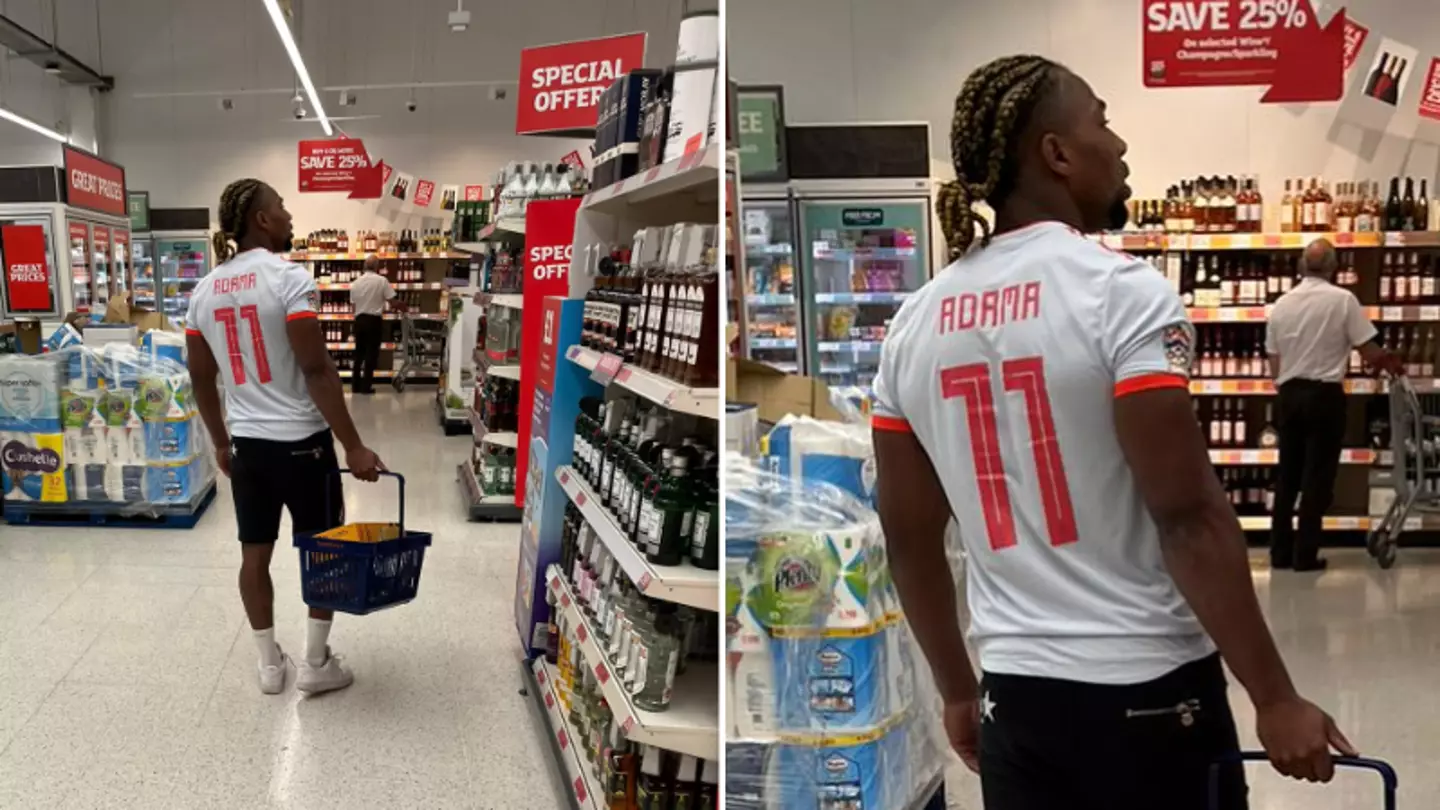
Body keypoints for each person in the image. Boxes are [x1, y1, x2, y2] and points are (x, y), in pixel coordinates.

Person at [870, 55, 1355, 810]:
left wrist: (958, 690)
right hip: (1150, 696)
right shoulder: (1121, 295)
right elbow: (1188, 517)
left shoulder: (913, 325)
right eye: (1102, 119)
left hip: (1017, 704)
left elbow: (907, 538)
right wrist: (1276, 694)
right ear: (1056, 154)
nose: (1120, 143)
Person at [187, 178, 386, 696]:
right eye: (281, 207)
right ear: (261, 220)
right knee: (323, 549)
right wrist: (354, 445)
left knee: (254, 554)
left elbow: (200, 378)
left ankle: (269, 666)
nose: (289, 215)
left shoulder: (203, 291)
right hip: (305, 445)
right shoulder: (289, 279)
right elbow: (317, 368)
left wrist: (221, 441)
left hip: (250, 448)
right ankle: (316, 663)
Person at [1266, 239, 1399, 572]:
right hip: (1324, 397)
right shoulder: (1343, 301)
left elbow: (1274, 362)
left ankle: (1279, 553)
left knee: (1287, 476)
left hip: (1289, 395)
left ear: (1300, 267)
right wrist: (1390, 366)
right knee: (1317, 477)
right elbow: (1369, 351)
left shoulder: (1281, 304)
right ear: (1332, 267)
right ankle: (1305, 555)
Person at [349, 255, 403, 394]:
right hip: (374, 321)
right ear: (377, 266)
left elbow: (353, 307)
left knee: (359, 354)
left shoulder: (355, 283)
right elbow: (392, 302)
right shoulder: (382, 281)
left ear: (365, 266)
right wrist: (403, 307)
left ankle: (355, 386)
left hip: (359, 320)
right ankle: (366, 387)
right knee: (371, 355)